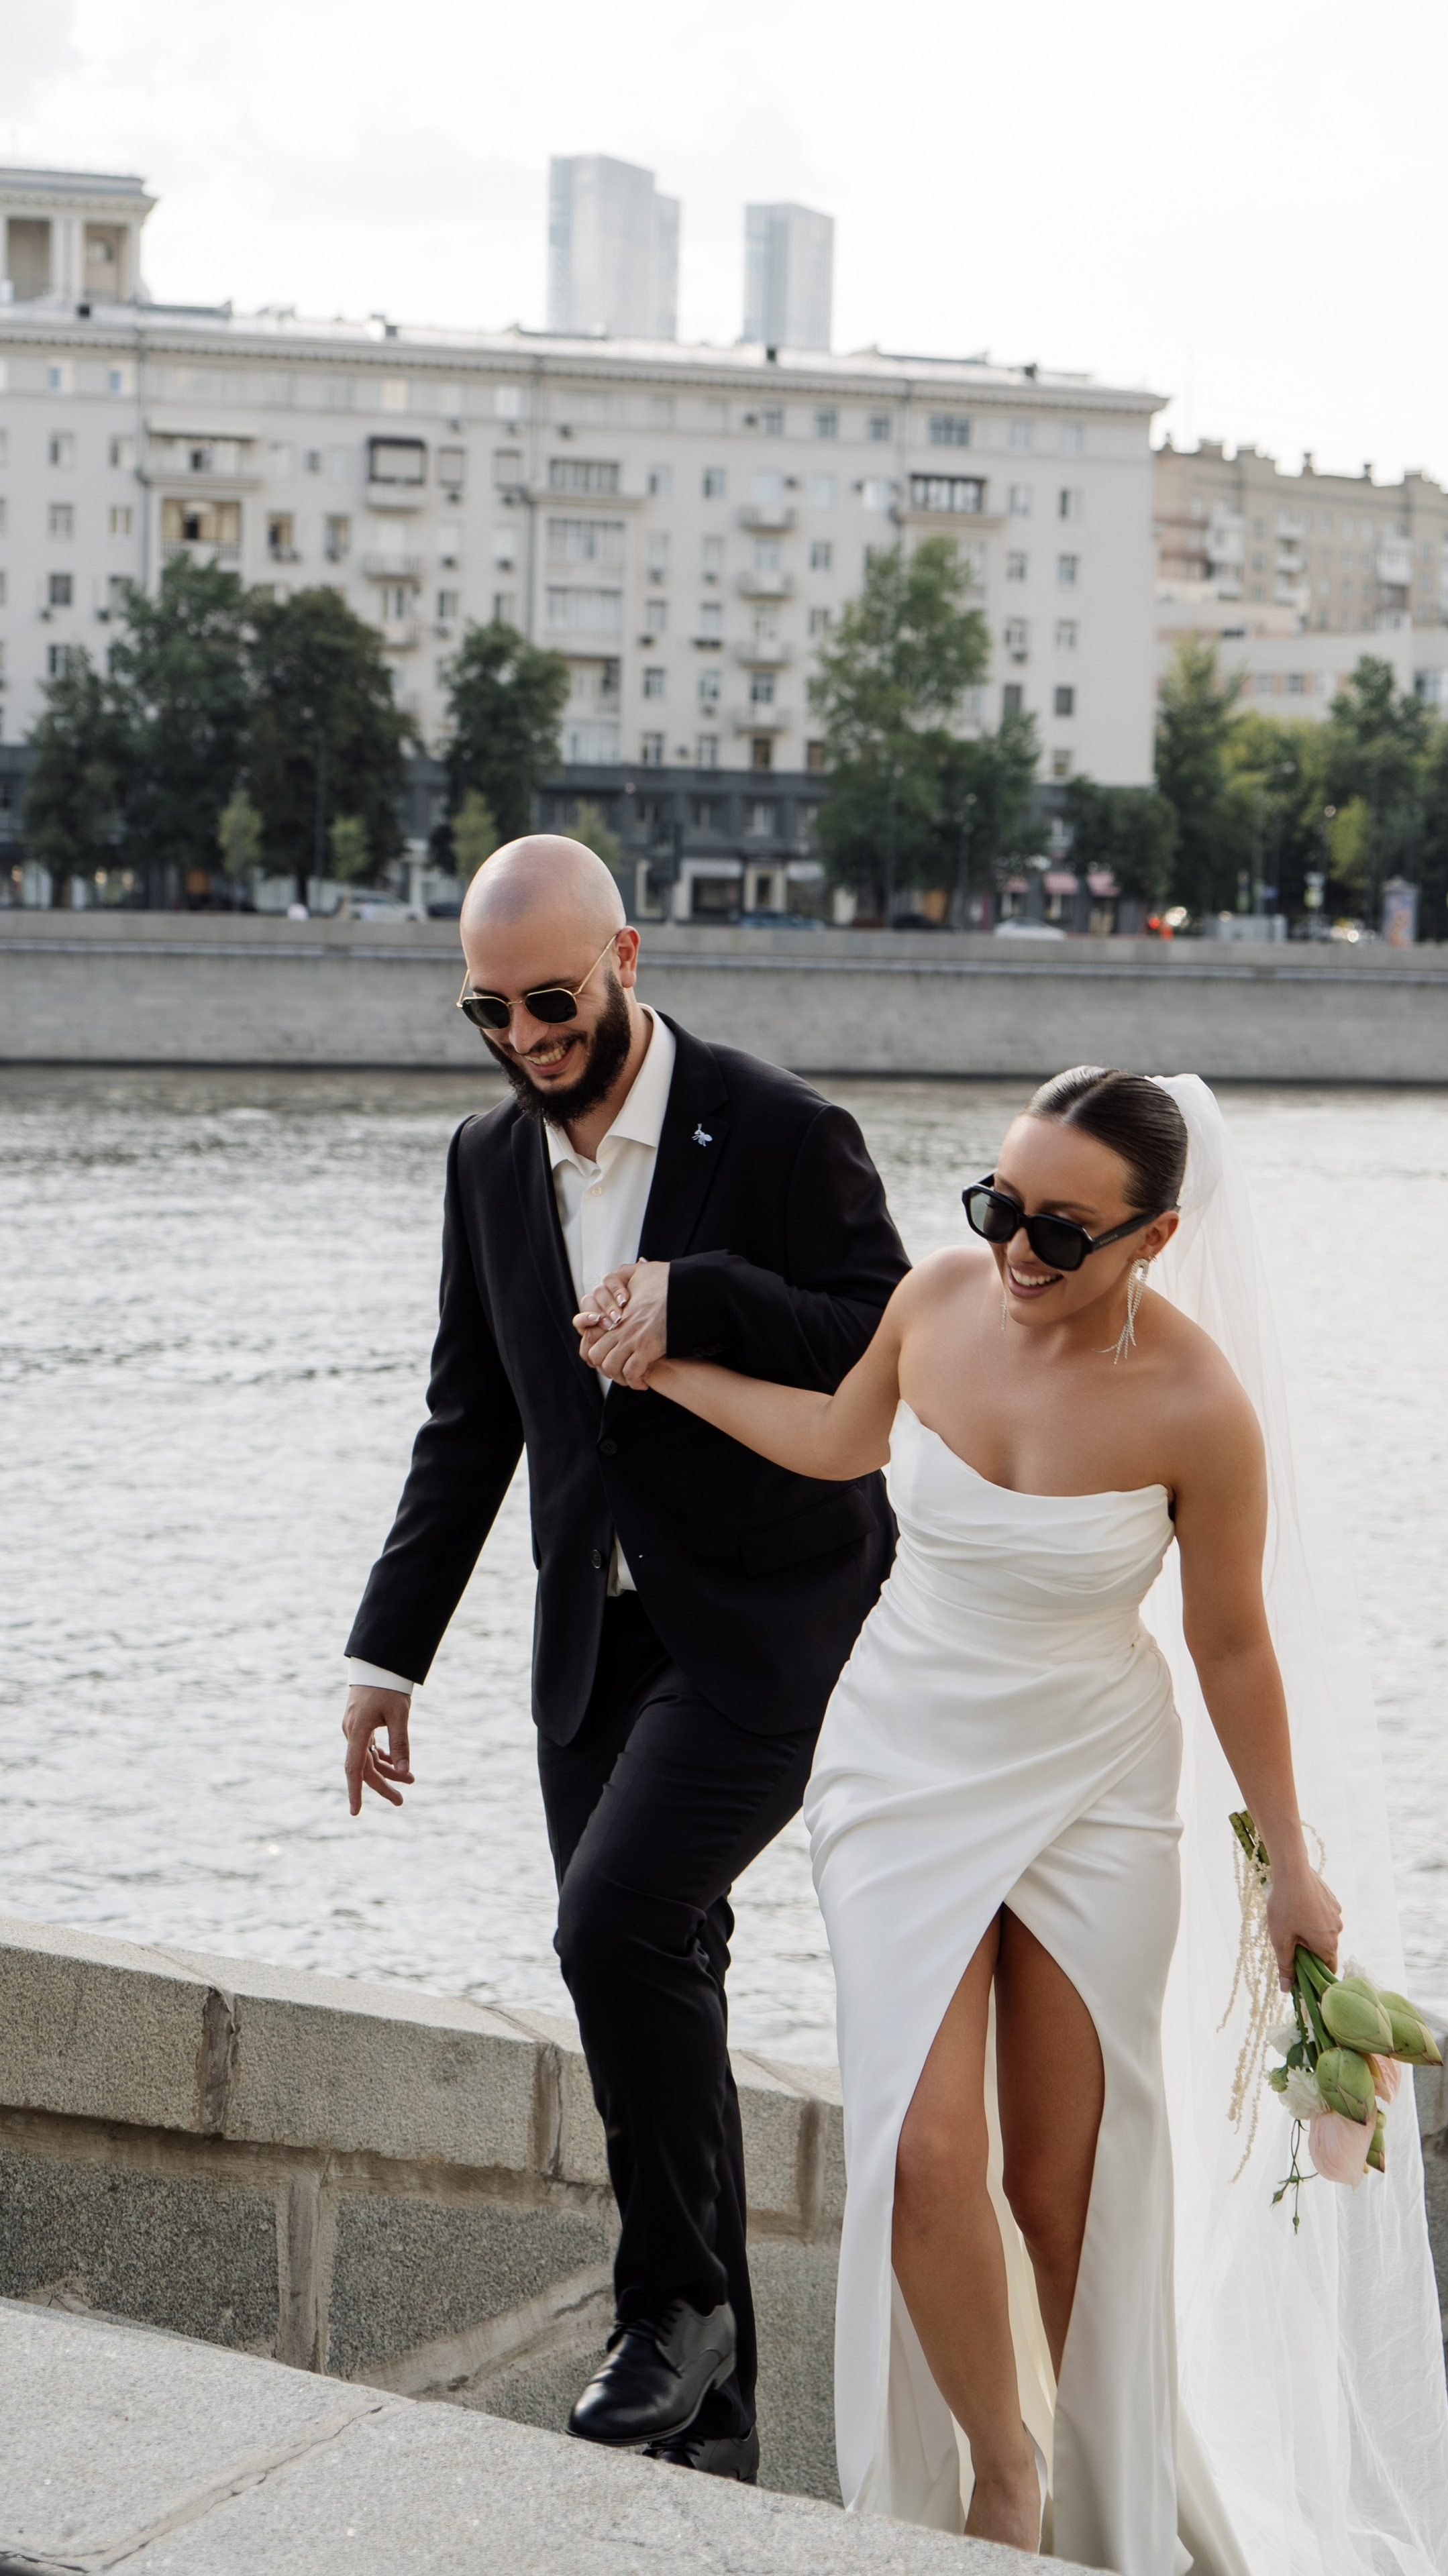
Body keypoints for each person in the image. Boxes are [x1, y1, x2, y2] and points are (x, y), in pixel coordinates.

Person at [578, 1068, 1448, 2574]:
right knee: (922, 2157)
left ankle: (1100, 2510)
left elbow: (1233, 1646)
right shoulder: (933, 1301)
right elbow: (845, 1440)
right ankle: (1001, 2476)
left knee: (1062, 2192)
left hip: (1095, 1787)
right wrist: (666, 1374)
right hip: (898, 1760)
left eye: (1062, 1230)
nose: (1018, 1252)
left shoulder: (1197, 1407)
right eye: (997, 1208)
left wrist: (1291, 1866)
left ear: (1156, 1236)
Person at [341, 835, 909, 2485]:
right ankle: (715, 2427)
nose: (526, 1038)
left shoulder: (785, 1132)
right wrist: (387, 1653)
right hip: (590, 1644)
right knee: (657, 1979)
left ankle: (667, 2306)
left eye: (554, 1001)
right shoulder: (482, 1162)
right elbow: (472, 1422)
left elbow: (886, 1348)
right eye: (490, 1010)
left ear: (629, 959)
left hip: (764, 1621)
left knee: (613, 1921)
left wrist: (694, 1298)